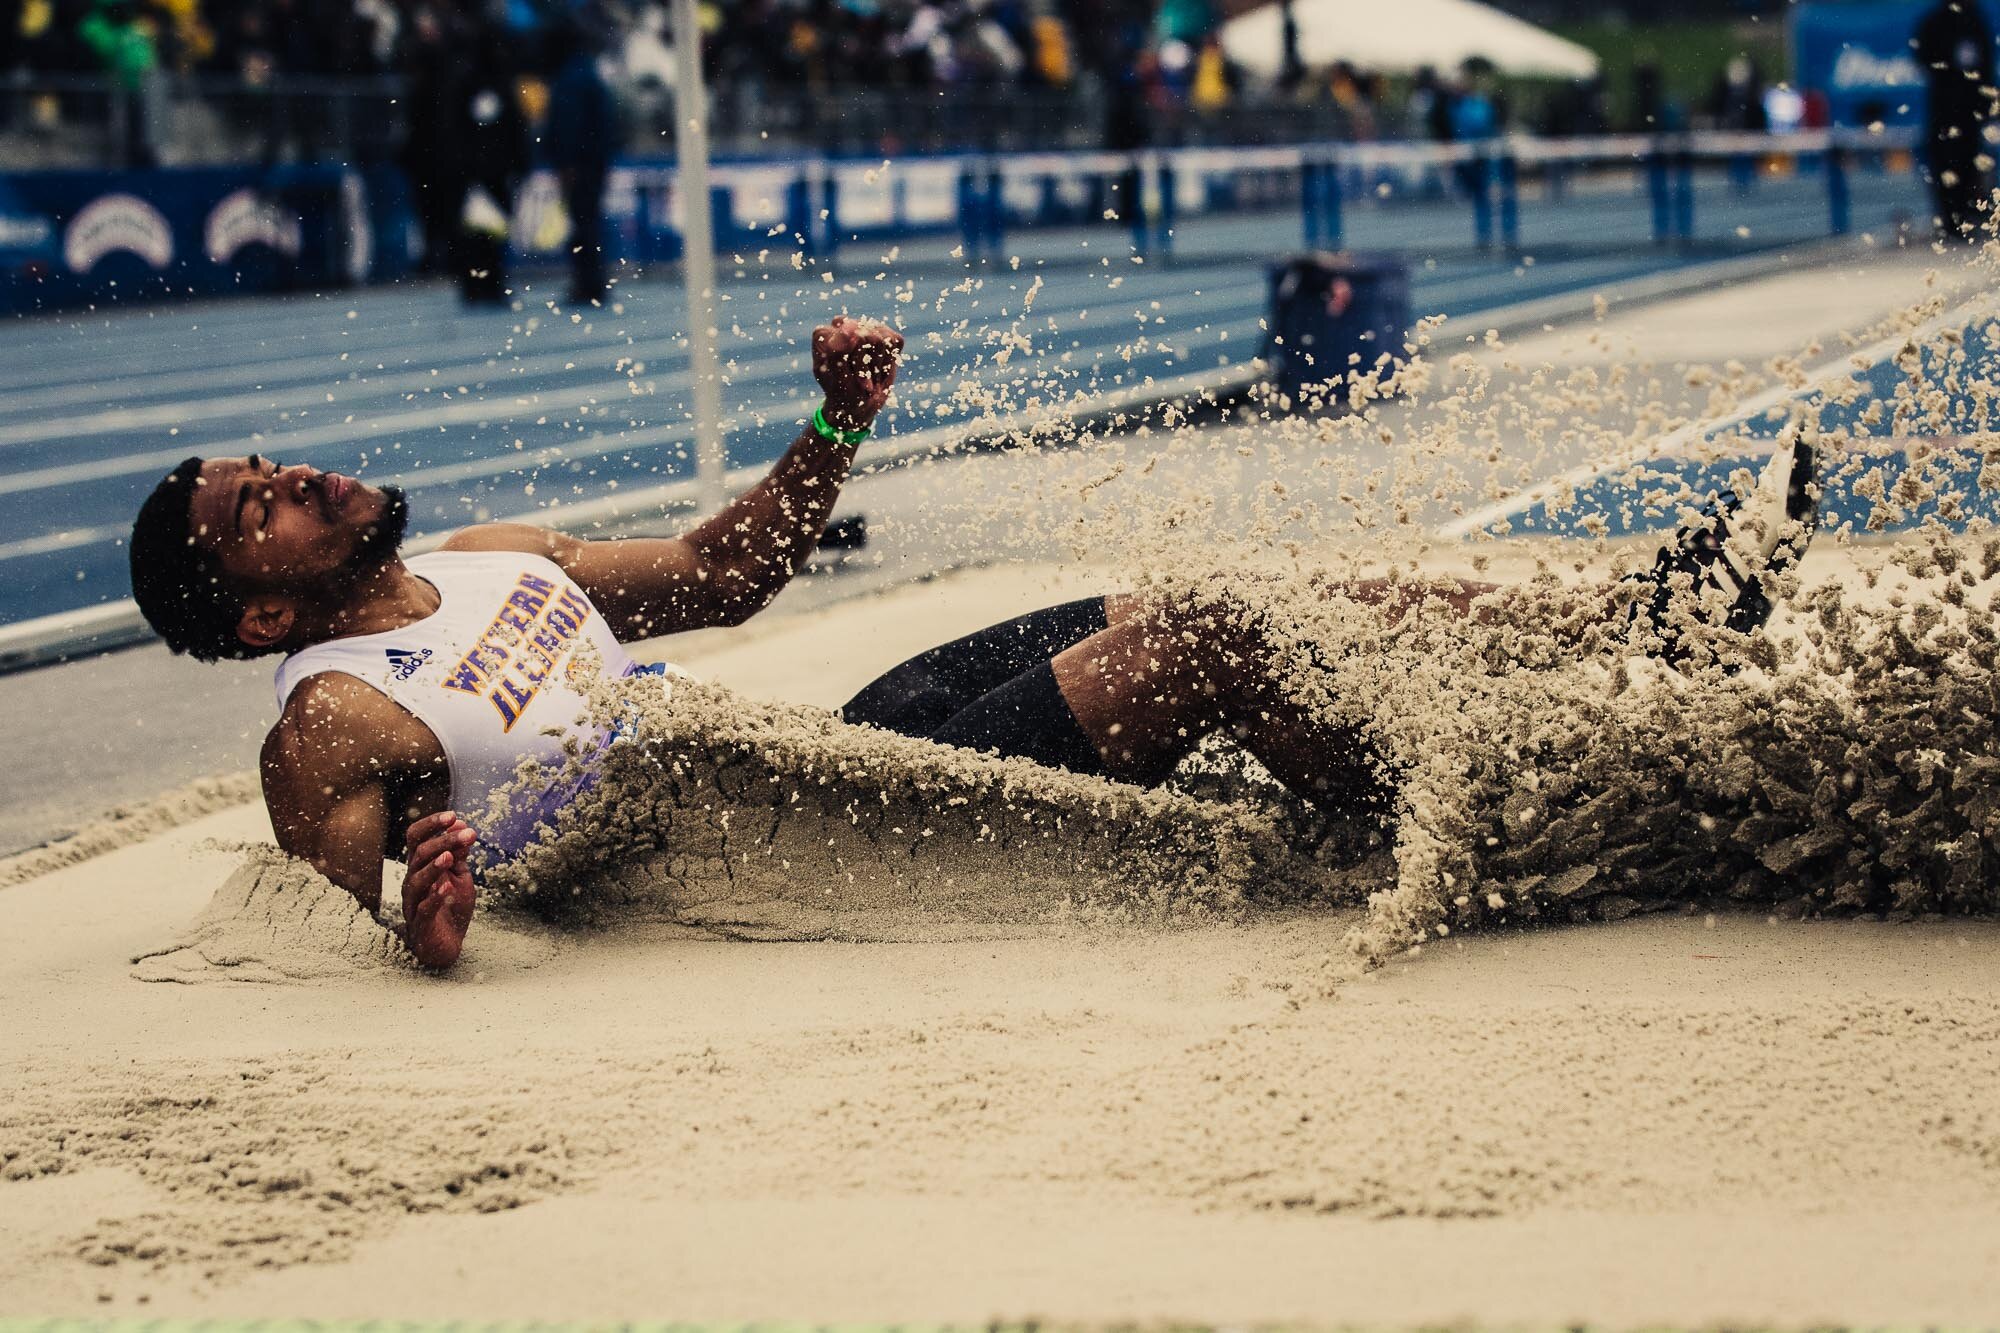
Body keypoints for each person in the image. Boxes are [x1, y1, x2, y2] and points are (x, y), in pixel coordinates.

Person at [127, 316, 1819, 973]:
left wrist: (835, 425)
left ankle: (1642, 618)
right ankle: (1477, 829)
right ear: (260, 609)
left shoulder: (486, 555)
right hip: (841, 829)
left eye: (271, 464)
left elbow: (727, 576)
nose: (297, 477)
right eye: (258, 508)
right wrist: (426, 909)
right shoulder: (330, 715)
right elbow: (349, 900)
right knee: (1217, 641)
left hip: (844, 730)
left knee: (1190, 588)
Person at [1913, 0, 1997, 241]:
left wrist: (1987, 104)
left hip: (1970, 112)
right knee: (1944, 164)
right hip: (1944, 110)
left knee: (1970, 162)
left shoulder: (1975, 19)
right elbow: (1924, 57)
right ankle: (1950, 221)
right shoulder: (1936, 21)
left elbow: (1986, 64)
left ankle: (1967, 217)